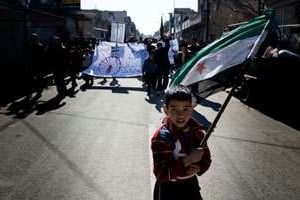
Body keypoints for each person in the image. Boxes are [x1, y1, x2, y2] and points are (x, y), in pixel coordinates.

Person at [151, 85, 211, 200]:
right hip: (168, 189)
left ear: (192, 109)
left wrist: (199, 167)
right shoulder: (161, 137)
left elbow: (206, 159)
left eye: (186, 108)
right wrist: (188, 160)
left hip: (191, 185)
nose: (181, 114)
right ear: (166, 110)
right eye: (174, 109)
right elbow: (161, 173)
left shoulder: (198, 133)